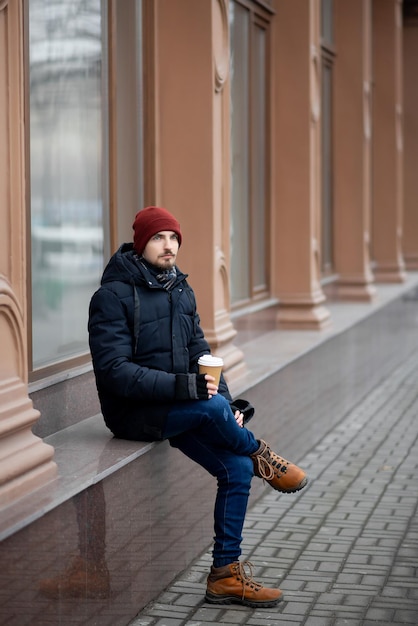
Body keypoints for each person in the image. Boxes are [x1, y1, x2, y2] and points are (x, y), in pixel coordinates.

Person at [88, 206, 308, 608]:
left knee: (237, 468)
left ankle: (224, 574)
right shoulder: (112, 296)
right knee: (215, 416)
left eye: (173, 237)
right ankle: (261, 453)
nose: (168, 245)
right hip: (134, 413)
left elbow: (201, 354)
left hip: (181, 403)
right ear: (141, 244)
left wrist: (225, 402)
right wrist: (193, 391)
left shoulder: (180, 289)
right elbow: (114, 372)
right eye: (158, 237)